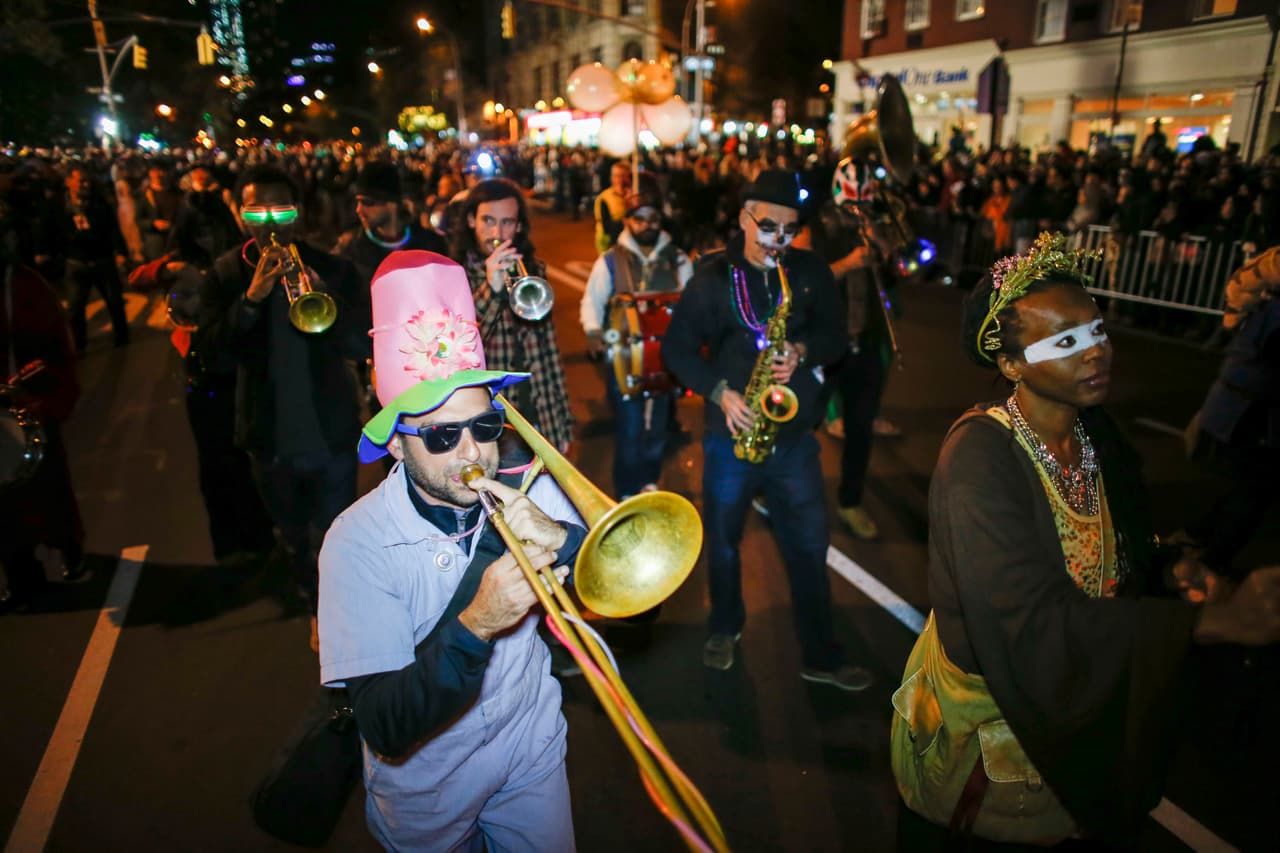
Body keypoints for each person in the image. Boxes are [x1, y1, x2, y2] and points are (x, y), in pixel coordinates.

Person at [891, 233, 1280, 849]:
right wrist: (1213, 624)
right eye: (1065, 342)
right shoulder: (979, 459)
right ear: (1012, 365)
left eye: (1097, 331)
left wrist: (1167, 564)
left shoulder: (1096, 431)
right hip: (996, 739)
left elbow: (1113, 535)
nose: (1096, 353)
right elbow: (1027, 623)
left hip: (1068, 709)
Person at [318, 250, 584, 851]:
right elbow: (385, 723)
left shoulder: (528, 485)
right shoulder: (356, 543)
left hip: (530, 750)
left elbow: (628, 606)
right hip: (425, 791)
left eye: (484, 427)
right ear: (396, 445)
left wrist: (567, 541)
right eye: (441, 435)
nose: (472, 454)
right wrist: (478, 623)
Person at [662, 169, 872, 690]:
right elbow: (677, 350)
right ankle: (725, 626)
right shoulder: (711, 277)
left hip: (794, 439)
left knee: (808, 546)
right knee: (725, 542)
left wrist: (802, 350)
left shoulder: (809, 271)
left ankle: (820, 654)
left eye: (789, 230)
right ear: (744, 219)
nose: (778, 240)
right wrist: (720, 393)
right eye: (768, 227)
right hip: (731, 435)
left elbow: (835, 338)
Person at [199, 165, 368, 621]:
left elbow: (360, 344)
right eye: (257, 211)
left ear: (299, 214)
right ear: (239, 216)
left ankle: (332, 612)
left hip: (330, 432)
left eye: (282, 209)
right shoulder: (224, 275)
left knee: (336, 535)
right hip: (268, 438)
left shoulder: (332, 267)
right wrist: (251, 300)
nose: (271, 223)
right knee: (292, 529)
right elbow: (211, 357)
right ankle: (301, 574)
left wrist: (325, 293)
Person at [580, 174, 692, 498]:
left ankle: (649, 479)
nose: (646, 225)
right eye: (638, 219)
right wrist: (592, 331)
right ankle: (627, 490)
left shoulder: (678, 259)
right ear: (627, 220)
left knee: (657, 427)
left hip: (665, 362)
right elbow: (592, 300)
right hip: (623, 363)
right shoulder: (611, 261)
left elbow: (692, 305)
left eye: (653, 218)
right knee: (630, 429)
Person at [448, 178, 574, 452]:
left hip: (541, 413)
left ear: (518, 227)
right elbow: (459, 349)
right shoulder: (455, 276)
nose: (497, 232)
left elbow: (549, 352)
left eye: (507, 222)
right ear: (472, 220)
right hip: (492, 422)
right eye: (488, 221)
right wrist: (490, 291)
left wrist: (561, 422)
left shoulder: (533, 271)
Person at [1182, 245, 1279, 578]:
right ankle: (1209, 564)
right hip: (1246, 414)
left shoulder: (1267, 304)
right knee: (1254, 492)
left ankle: (1196, 540)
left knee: (1247, 488)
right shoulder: (1274, 311)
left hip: (1238, 409)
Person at [0, 256, 84, 609]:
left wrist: (46, 393)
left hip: (31, 402)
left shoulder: (24, 285)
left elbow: (54, 345)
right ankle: (21, 572)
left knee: (47, 484)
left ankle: (68, 547)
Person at [47, 164, 130, 354]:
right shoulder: (58, 205)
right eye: (80, 181)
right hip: (76, 262)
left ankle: (121, 335)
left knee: (114, 300)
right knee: (76, 307)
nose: (85, 185)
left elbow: (113, 229)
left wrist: (120, 252)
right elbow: (49, 230)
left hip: (102, 259)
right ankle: (79, 342)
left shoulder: (99, 203)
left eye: (87, 181)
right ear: (69, 182)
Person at [334, 161, 447, 284]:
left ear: (392, 204)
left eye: (368, 202)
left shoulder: (430, 245)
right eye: (358, 202)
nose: (359, 210)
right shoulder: (349, 248)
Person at [593, 161, 631, 254]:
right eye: (616, 176)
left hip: (629, 242)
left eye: (623, 176)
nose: (620, 179)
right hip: (609, 242)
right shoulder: (604, 198)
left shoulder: (633, 195)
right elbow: (606, 226)